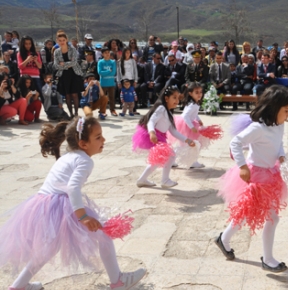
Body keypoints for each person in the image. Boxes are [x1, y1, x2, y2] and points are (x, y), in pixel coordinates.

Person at [0, 117, 147, 290]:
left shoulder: (69, 156)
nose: (104, 140)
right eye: (98, 137)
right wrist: (83, 216)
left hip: (42, 204)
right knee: (103, 232)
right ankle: (118, 281)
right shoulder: (85, 161)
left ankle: (18, 286)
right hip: (61, 206)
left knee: (48, 249)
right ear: (84, 144)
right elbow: (73, 188)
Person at [215, 85, 288, 273]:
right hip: (255, 176)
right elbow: (235, 142)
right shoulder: (258, 128)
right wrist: (242, 166)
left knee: (272, 217)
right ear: (275, 108)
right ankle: (225, 240)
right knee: (247, 214)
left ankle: (265, 257)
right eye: (286, 110)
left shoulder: (279, 124)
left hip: (271, 175)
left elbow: (279, 143)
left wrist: (281, 155)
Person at [133, 86, 196, 188]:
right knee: (168, 156)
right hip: (155, 136)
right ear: (166, 98)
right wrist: (152, 132)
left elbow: (174, 132)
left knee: (162, 158)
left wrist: (188, 140)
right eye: (174, 97)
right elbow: (151, 121)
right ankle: (164, 180)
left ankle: (143, 179)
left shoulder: (169, 113)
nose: (177, 100)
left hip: (159, 137)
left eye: (178, 98)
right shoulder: (161, 108)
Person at [171, 82, 208, 168]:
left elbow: (194, 114)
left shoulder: (195, 103)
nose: (199, 94)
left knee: (191, 144)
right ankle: (173, 159)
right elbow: (185, 116)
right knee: (188, 144)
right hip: (187, 126)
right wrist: (191, 127)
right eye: (196, 92)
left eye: (200, 92)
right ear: (190, 93)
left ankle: (192, 161)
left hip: (189, 124)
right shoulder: (192, 104)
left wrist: (199, 120)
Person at [17, 35, 43, 100]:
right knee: (25, 95)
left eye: (29, 43)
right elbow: (20, 66)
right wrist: (27, 60)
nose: (28, 45)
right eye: (26, 44)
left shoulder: (37, 53)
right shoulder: (19, 54)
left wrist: (36, 61)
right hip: (25, 77)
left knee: (39, 93)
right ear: (23, 44)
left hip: (35, 77)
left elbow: (40, 66)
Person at [98, 47, 118, 116]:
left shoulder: (113, 62)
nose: (107, 54)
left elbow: (114, 73)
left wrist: (106, 73)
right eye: (105, 53)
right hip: (103, 83)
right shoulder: (100, 62)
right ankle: (102, 111)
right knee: (102, 97)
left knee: (112, 97)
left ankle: (112, 110)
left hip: (111, 82)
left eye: (108, 52)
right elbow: (100, 72)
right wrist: (109, 71)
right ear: (102, 54)